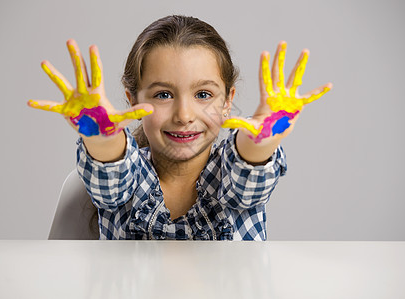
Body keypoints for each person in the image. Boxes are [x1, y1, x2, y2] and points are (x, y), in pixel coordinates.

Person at [28, 15, 332, 240]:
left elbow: (248, 170)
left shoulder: (229, 179)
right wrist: (103, 135)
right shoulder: (128, 182)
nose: (184, 115)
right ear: (132, 100)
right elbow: (111, 171)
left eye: (203, 95)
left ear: (228, 101)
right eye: (163, 95)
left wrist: (263, 140)